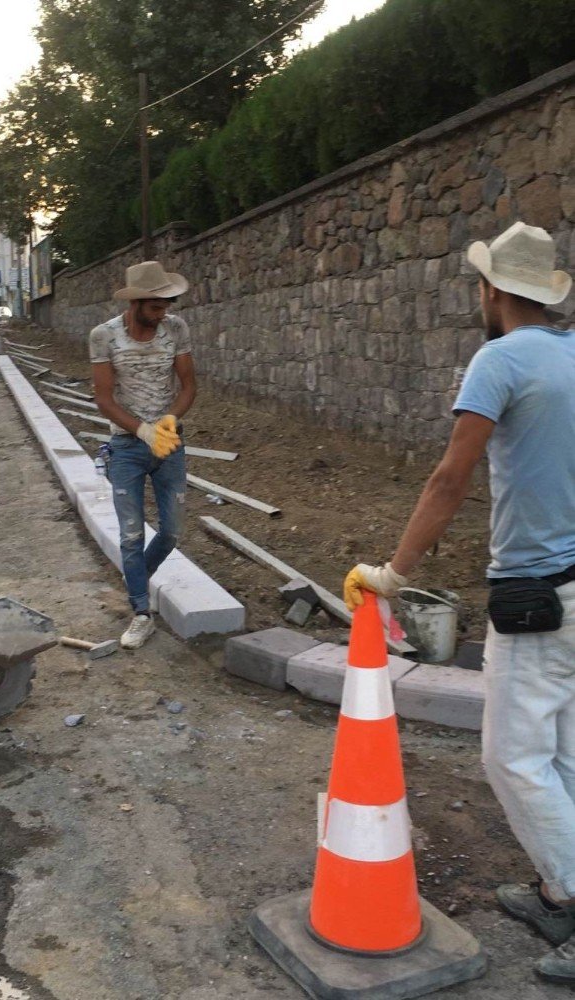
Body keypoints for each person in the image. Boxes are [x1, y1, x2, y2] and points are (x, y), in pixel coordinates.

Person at [343, 220, 575, 983]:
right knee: (565, 756)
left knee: (510, 758)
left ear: (494, 291)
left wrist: (394, 573)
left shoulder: (499, 359)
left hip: (537, 593)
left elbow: (451, 478)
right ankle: (554, 890)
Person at [90, 261, 196, 650]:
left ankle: (134, 580)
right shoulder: (104, 337)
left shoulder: (176, 329)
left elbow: (188, 385)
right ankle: (140, 612)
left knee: (171, 531)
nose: (162, 313)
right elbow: (103, 399)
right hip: (127, 448)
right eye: (155, 307)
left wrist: (169, 420)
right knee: (132, 535)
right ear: (135, 304)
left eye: (166, 305)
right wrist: (142, 430)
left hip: (169, 442)